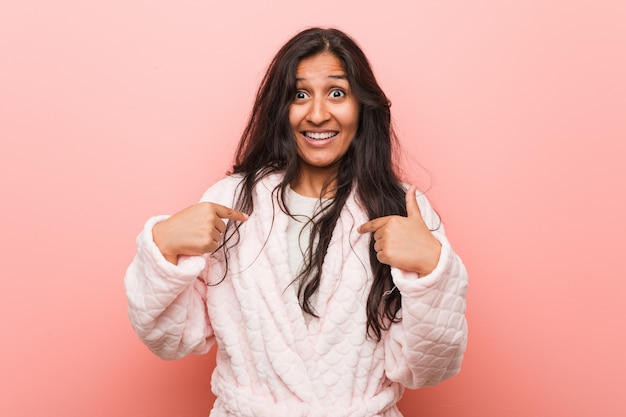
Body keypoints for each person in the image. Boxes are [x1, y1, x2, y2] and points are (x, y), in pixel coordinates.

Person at [125, 27, 468, 417]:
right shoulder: (231, 201)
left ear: (362, 106)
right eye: (300, 94)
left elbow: (429, 369)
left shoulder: (401, 209)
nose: (318, 113)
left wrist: (430, 272)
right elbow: (171, 340)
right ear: (280, 108)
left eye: (336, 93)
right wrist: (162, 248)